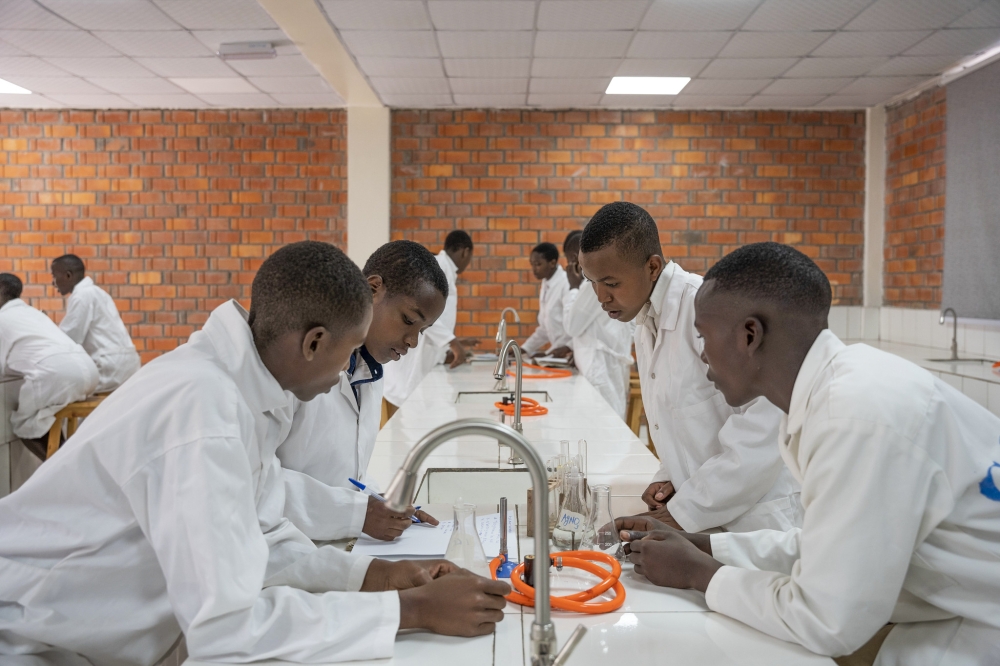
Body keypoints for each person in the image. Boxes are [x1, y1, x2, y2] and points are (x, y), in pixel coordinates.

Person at [0, 242, 509, 666]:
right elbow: (228, 634)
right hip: (34, 641)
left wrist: (375, 577)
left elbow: (260, 533)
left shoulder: (240, 393)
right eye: (345, 353)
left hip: (101, 637)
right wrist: (410, 611)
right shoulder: (204, 413)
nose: (344, 372)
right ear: (313, 343)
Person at [617, 242, 1000, 666]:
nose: (702, 352)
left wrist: (698, 573)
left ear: (750, 335)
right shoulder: (832, 392)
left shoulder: (853, 415)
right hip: (951, 608)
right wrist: (706, 547)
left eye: (704, 335)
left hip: (981, 625)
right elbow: (829, 547)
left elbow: (827, 620)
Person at [578, 202, 801, 533]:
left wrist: (686, 510)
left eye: (610, 283)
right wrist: (669, 476)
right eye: (591, 282)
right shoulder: (645, 319)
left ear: (653, 267)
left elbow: (767, 423)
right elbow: (681, 419)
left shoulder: (707, 309)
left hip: (757, 521)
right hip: (706, 514)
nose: (601, 297)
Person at [278, 240, 450, 542]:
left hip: (326, 545)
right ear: (373, 289)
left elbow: (345, 475)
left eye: (421, 331)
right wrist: (357, 513)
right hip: (283, 548)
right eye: (408, 321)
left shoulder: (369, 368)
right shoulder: (298, 367)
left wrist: (378, 502)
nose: (413, 342)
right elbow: (257, 480)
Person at [0, 273, 98, 459]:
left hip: (58, 376)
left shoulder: (2, 319)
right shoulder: (32, 313)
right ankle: (67, 460)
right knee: (44, 418)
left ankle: (59, 473)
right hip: (88, 372)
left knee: (24, 425)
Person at [382, 230, 476, 415]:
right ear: (465, 252)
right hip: (406, 371)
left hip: (420, 366)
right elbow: (424, 314)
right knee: (402, 427)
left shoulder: (445, 271)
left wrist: (452, 345)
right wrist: (453, 343)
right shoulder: (438, 268)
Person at [562, 230, 634, 419]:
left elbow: (571, 326)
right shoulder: (609, 278)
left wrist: (572, 287)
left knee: (602, 432)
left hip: (599, 371)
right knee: (610, 428)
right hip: (607, 367)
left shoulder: (590, 285)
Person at [51, 254, 141, 392]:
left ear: (68, 276)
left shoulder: (82, 295)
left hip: (109, 367)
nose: (53, 282)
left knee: (58, 393)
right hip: (127, 363)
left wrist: (44, 328)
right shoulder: (96, 292)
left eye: (54, 276)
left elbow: (70, 338)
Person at [521, 241, 571, 358]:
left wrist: (549, 353)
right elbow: (545, 329)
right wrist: (524, 349)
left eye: (538, 264)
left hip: (568, 351)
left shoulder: (566, 283)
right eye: (532, 264)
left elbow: (572, 328)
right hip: (557, 353)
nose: (534, 269)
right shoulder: (546, 283)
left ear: (552, 263)